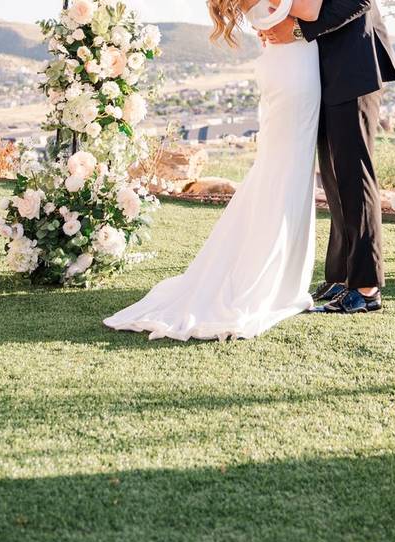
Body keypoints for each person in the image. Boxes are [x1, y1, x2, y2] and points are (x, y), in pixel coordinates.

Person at [104, 0, 323, 340]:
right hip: (294, 71)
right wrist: (296, 27)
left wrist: (291, 27)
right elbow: (311, 11)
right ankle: (271, 279)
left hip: (285, 67)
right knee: (285, 173)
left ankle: (279, 276)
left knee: (280, 172)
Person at [259, 0, 395, 314]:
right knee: (335, 177)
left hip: (354, 65)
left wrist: (298, 29)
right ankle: (340, 275)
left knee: (354, 175)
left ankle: (366, 287)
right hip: (321, 71)